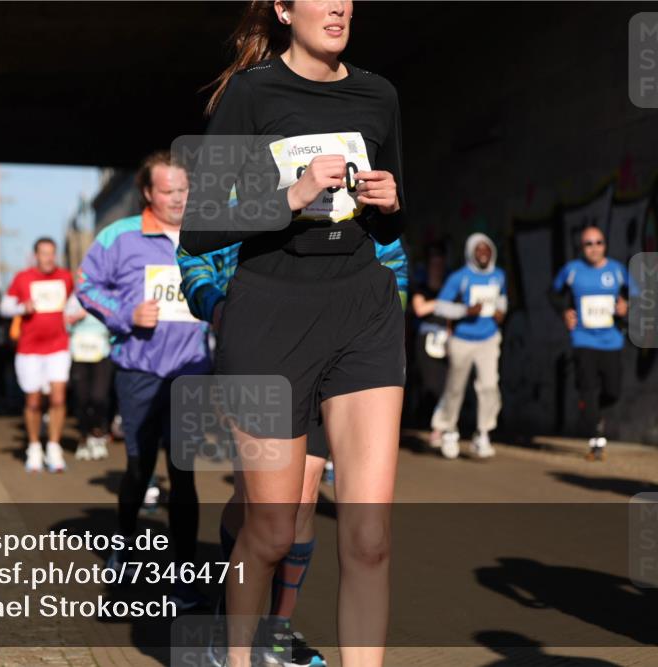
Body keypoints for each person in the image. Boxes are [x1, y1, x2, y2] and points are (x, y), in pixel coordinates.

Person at [180, 3, 407, 663]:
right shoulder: (251, 95)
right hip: (272, 315)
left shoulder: (379, 94)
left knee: (369, 536)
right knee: (273, 527)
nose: (338, 6)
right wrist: (293, 193)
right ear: (283, 8)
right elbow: (198, 226)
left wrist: (392, 203)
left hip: (363, 310)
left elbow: (389, 226)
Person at [178, 235, 408, 667]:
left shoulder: (353, 170)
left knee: (306, 500)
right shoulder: (239, 172)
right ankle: (233, 630)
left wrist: (388, 315)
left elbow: (391, 249)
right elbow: (194, 253)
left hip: (348, 343)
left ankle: (277, 628)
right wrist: (217, 307)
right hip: (262, 340)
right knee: (263, 516)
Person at [77, 150, 211, 610]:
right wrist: (123, 314)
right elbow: (86, 285)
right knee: (138, 468)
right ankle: (124, 539)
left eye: (184, 189)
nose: (178, 198)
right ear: (149, 193)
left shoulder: (209, 235)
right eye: (169, 191)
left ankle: (184, 577)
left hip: (192, 371)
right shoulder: (119, 236)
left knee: (184, 473)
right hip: (138, 369)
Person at [551, 226, 637, 461]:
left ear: (605, 245)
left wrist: (626, 307)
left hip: (611, 341)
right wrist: (564, 312)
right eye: (588, 243)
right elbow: (553, 293)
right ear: (582, 247)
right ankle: (596, 438)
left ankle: (595, 412)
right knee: (588, 389)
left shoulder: (617, 271)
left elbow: (637, 296)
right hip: (583, 339)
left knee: (613, 391)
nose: (594, 248)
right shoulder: (572, 271)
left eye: (598, 242)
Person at [429, 233, 507, 459]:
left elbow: (502, 300)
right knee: (455, 387)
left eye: (487, 249)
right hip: (462, 339)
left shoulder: (499, 275)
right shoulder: (459, 277)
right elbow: (440, 307)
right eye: (478, 249)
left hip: (489, 338)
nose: (483, 253)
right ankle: (449, 429)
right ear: (471, 253)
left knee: (490, 386)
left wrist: (501, 312)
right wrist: (465, 311)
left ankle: (483, 433)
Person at [0, 237, 73, 472]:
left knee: (58, 398)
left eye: (52, 253)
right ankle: (34, 446)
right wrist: (23, 308)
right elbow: (4, 307)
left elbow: (77, 302)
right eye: (44, 253)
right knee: (32, 401)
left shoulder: (65, 277)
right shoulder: (23, 277)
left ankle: (53, 446)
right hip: (29, 349)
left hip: (58, 346)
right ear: (36, 256)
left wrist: (75, 313)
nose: (48, 258)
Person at [408, 241, 450, 444]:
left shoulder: (449, 286)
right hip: (425, 341)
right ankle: (425, 419)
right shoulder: (421, 286)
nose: (437, 266)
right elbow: (420, 309)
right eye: (434, 262)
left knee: (446, 385)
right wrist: (441, 303)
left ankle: (440, 428)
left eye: (440, 262)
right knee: (429, 385)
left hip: (445, 341)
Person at [65, 296, 113, 460]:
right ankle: (83, 437)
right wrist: (76, 317)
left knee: (99, 396)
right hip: (79, 353)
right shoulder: (74, 299)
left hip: (101, 352)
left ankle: (98, 434)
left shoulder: (107, 296)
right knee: (81, 398)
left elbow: (116, 322)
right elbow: (64, 324)